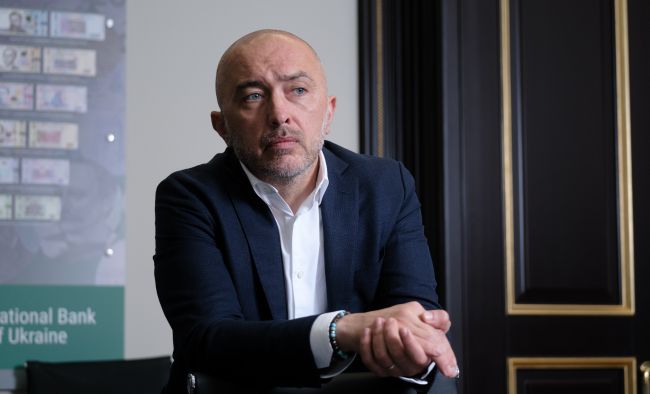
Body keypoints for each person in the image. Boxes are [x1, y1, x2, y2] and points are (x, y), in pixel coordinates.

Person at [154, 29, 458, 393]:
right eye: (253, 96)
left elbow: (413, 318)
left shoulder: (386, 186)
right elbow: (207, 339)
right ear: (223, 127)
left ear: (328, 112)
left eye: (297, 90)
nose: (279, 114)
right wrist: (340, 330)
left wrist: (410, 344)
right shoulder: (189, 196)